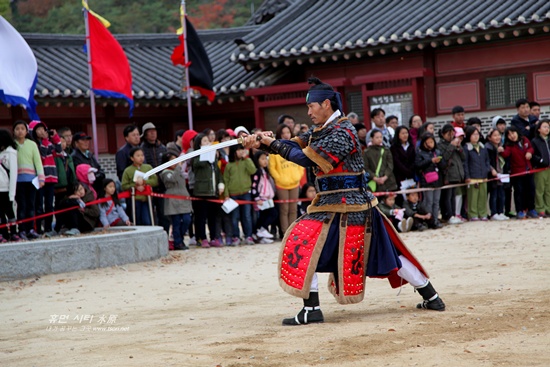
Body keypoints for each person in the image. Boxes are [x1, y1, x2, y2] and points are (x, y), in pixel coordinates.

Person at [242, 77, 445, 326]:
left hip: (351, 207)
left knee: (306, 242)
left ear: (325, 104)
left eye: (311, 107)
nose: (308, 112)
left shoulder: (343, 131)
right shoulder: (324, 130)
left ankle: (313, 309)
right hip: (335, 206)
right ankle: (431, 296)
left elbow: (304, 158)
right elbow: (294, 145)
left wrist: (270, 143)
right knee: (381, 255)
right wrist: (262, 142)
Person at [268, 123, 304, 234]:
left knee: (293, 209)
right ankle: (285, 232)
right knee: (284, 210)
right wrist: (279, 178)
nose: (286, 135)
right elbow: (272, 168)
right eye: (283, 133)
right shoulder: (274, 149)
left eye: (288, 132)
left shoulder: (295, 146)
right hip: (281, 184)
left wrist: (297, 177)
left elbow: (300, 164)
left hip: (295, 183)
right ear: (279, 134)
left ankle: (293, 232)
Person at [191, 133, 224, 247]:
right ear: (199, 143)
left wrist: (220, 184)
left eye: (208, 141)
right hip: (201, 191)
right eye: (204, 141)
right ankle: (201, 237)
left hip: (213, 191)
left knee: (213, 216)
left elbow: (217, 171)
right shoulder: (196, 155)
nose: (207, 143)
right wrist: (205, 156)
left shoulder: (213, 155)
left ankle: (214, 237)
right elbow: (196, 165)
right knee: (201, 217)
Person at [29, 120, 62, 234]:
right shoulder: (34, 145)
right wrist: (45, 140)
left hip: (51, 177)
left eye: (43, 129)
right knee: (39, 205)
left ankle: (48, 227)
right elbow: (42, 154)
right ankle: (38, 228)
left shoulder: (48, 142)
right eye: (38, 129)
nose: (41, 131)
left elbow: (59, 150)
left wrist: (56, 137)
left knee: (49, 205)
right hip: (40, 179)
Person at [13, 120, 43, 240]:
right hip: (18, 181)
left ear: (26, 131)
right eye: (17, 129)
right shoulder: (12, 145)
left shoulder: (32, 144)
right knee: (21, 205)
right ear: (14, 131)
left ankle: (30, 229)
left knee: (31, 205)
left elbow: (38, 162)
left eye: (22, 128)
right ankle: (21, 230)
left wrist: (41, 178)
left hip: (31, 180)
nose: (20, 131)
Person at [500, 126, 536, 219]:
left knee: (531, 190)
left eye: (513, 133)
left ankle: (531, 209)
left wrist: (529, 152)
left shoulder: (524, 139)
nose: (512, 136)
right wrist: (500, 150)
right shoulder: (509, 145)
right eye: (509, 134)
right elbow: (505, 154)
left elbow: (531, 148)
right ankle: (520, 210)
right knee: (519, 192)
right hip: (517, 173)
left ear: (517, 132)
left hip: (528, 170)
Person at [224, 143, 257, 245]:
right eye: (238, 150)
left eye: (242, 150)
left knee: (247, 216)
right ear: (234, 152)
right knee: (235, 217)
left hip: (246, 192)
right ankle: (236, 236)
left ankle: (248, 236)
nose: (241, 152)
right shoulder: (229, 165)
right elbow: (226, 180)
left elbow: (253, 170)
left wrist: (246, 158)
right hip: (233, 194)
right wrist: (226, 194)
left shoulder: (246, 161)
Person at [159, 152, 193, 250]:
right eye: (172, 160)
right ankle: (178, 242)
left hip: (183, 199)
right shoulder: (165, 173)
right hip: (173, 201)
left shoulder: (179, 171)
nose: (175, 162)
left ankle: (179, 238)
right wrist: (179, 166)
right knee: (176, 222)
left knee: (187, 220)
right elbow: (172, 179)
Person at [140, 122, 169, 234]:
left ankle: (165, 235)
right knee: (150, 214)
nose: (153, 134)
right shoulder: (142, 149)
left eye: (154, 131)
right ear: (145, 135)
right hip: (149, 186)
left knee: (164, 214)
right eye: (150, 132)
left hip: (162, 186)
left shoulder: (163, 148)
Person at [121, 147, 158, 225]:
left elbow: (155, 181)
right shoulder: (128, 170)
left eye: (142, 155)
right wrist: (135, 185)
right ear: (132, 158)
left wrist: (145, 182)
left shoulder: (148, 167)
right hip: (135, 199)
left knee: (147, 220)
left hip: (146, 199)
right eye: (138, 156)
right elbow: (124, 186)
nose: (141, 157)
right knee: (137, 220)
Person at [415, 133, 445, 229]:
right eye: (427, 142)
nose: (430, 144)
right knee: (429, 201)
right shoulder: (420, 153)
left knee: (436, 202)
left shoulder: (437, 152)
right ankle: (429, 220)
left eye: (431, 142)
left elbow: (444, 166)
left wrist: (439, 161)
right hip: (426, 181)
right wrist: (430, 161)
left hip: (437, 180)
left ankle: (435, 220)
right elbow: (418, 165)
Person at [463, 126, 493, 221]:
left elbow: (487, 160)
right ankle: (473, 214)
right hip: (472, 177)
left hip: (483, 176)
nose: (476, 137)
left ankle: (483, 213)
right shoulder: (467, 148)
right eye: (473, 134)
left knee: (483, 196)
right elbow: (465, 163)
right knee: (473, 197)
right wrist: (467, 176)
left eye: (477, 134)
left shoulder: (482, 147)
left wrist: (487, 169)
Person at [438, 124, 465, 224]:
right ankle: (448, 215)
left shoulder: (455, 143)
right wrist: (451, 146)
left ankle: (453, 214)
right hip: (447, 174)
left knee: (453, 196)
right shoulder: (440, 145)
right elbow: (444, 158)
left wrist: (459, 147)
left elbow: (463, 157)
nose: (450, 136)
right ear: (443, 134)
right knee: (447, 197)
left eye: (452, 133)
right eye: (448, 134)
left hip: (456, 174)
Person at [250, 150, 277, 244]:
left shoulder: (265, 172)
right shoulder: (257, 172)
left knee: (268, 215)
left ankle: (261, 232)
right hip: (261, 198)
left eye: (266, 158)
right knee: (269, 214)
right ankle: (260, 230)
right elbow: (254, 186)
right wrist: (257, 198)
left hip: (268, 198)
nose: (265, 161)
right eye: (262, 159)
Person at [485, 128, 509, 221]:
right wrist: (492, 170)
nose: (497, 137)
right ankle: (494, 212)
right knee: (494, 195)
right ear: (489, 137)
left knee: (502, 194)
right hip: (493, 174)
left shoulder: (501, 147)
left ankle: (501, 212)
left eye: (498, 135)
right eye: (494, 135)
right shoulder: (488, 148)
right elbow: (487, 161)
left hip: (502, 174)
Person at [0, 129, 19, 242]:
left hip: (6, 188)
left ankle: (13, 232)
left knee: (9, 211)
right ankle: (2, 233)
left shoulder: (10, 153)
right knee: (0, 212)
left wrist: (12, 194)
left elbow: (13, 174)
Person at [390, 125, 416, 205]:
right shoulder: (394, 147)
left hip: (411, 175)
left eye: (406, 133)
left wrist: (410, 170)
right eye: (402, 133)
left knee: (412, 196)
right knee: (402, 197)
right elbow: (396, 162)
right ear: (398, 135)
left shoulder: (411, 146)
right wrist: (405, 170)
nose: (405, 135)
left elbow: (414, 160)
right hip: (400, 176)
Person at [531, 119, 550, 217]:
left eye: (548, 127)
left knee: (548, 189)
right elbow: (533, 155)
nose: (547, 129)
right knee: (540, 189)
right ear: (539, 129)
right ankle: (540, 208)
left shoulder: (549, 140)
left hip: (549, 169)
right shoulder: (535, 141)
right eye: (545, 127)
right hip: (540, 169)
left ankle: (548, 207)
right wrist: (541, 161)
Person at [53, 134, 76, 209]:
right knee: (60, 205)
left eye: (64, 142)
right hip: (59, 186)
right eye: (60, 142)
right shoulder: (54, 156)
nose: (62, 144)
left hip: (69, 184)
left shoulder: (68, 156)